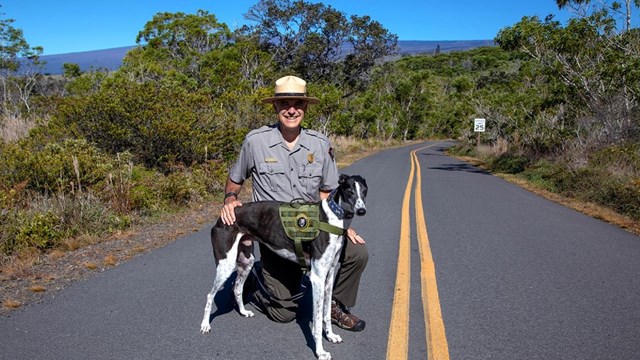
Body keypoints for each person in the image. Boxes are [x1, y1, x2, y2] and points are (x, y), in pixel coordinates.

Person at [219, 75, 368, 331]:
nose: (291, 109)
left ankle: (333, 305)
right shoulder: (255, 141)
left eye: (297, 103)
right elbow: (234, 182)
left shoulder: (320, 144)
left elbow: (328, 193)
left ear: (305, 108)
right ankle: (257, 282)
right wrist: (230, 199)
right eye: (285, 103)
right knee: (284, 314)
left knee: (357, 253)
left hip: (312, 228)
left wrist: (341, 226)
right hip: (274, 234)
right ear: (275, 107)